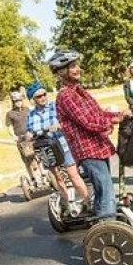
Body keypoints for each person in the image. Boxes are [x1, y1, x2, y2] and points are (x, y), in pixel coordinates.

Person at [49, 51, 130, 222]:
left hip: (97, 146)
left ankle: (109, 227)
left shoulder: (80, 92)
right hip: (87, 150)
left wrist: (119, 114)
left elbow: (98, 113)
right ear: (63, 72)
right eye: (72, 66)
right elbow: (87, 121)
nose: (77, 69)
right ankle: (108, 232)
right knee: (105, 190)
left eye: (76, 65)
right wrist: (111, 122)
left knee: (105, 190)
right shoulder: (65, 96)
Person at [24, 80, 90, 215]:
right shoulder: (31, 114)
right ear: (33, 99)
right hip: (45, 149)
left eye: (44, 94)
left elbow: (65, 122)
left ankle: (87, 201)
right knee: (57, 177)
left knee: (73, 175)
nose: (42, 98)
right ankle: (68, 204)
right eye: (38, 96)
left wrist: (58, 125)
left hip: (61, 145)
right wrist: (28, 135)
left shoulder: (55, 106)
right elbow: (28, 131)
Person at [5, 90, 35, 178]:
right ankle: (32, 178)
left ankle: (43, 175)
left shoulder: (27, 109)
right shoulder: (10, 114)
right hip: (20, 139)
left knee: (36, 157)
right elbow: (9, 126)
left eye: (20, 100)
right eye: (16, 101)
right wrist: (13, 136)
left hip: (31, 137)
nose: (19, 102)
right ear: (13, 102)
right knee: (27, 159)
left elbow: (32, 120)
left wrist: (33, 130)